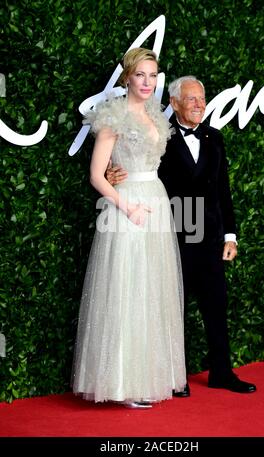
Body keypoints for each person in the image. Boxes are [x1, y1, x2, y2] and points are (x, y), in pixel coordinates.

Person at [108, 76, 256, 395]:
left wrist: (231, 236)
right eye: (191, 99)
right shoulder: (159, 136)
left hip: (211, 238)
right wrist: (111, 173)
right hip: (171, 235)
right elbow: (138, 169)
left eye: (202, 99)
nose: (199, 105)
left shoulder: (215, 138)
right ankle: (175, 379)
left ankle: (222, 373)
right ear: (174, 103)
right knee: (170, 310)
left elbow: (223, 191)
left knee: (216, 306)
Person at [71, 48, 186, 409]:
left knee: (152, 290)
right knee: (126, 288)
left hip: (156, 199)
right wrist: (127, 205)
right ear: (127, 78)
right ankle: (120, 383)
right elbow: (95, 175)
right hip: (127, 206)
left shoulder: (156, 115)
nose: (147, 82)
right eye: (141, 75)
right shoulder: (113, 116)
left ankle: (148, 379)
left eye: (153, 76)